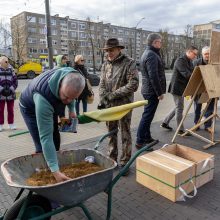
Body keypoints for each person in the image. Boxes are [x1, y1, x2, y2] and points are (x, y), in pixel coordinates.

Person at [19, 67, 85, 182]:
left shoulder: (72, 75)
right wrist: (56, 171)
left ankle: (54, 166)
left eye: (72, 98)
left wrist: (72, 109)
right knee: (42, 143)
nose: (68, 101)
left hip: (50, 100)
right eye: (65, 96)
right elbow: (46, 138)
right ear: (59, 85)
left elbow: (70, 95)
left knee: (56, 140)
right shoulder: (43, 100)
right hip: (30, 108)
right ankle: (45, 175)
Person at [98, 38, 139, 175]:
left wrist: (113, 95)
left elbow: (133, 84)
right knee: (111, 133)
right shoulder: (105, 65)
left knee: (125, 134)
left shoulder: (129, 63)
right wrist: (103, 97)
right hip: (109, 106)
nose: (109, 53)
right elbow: (102, 84)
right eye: (107, 51)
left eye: (111, 50)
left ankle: (125, 162)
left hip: (124, 106)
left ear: (119, 49)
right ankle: (112, 159)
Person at [136, 33, 166, 149]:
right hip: (151, 91)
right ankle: (140, 141)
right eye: (160, 41)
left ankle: (147, 137)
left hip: (148, 90)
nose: (161, 44)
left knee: (148, 115)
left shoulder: (149, 53)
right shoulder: (151, 55)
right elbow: (153, 76)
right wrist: (159, 93)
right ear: (154, 42)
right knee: (147, 116)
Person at [160, 46, 198, 134]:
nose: (195, 56)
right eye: (194, 54)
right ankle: (180, 130)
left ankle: (165, 122)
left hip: (182, 88)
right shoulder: (180, 60)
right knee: (179, 108)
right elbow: (187, 74)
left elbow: (192, 73)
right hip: (177, 88)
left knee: (178, 106)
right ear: (189, 52)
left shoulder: (189, 61)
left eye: (196, 54)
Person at [193, 46, 214, 132]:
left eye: (208, 53)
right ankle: (196, 124)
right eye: (205, 54)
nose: (207, 55)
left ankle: (208, 126)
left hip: (211, 88)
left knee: (210, 108)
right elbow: (193, 77)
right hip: (199, 89)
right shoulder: (196, 62)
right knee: (197, 107)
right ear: (202, 54)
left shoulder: (214, 62)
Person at [0, 56, 18, 131]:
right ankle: (0, 124)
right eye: (5, 61)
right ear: (1, 62)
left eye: (7, 61)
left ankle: (11, 123)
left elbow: (15, 81)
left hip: (11, 94)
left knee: (10, 109)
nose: (6, 63)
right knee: (0, 110)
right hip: (0, 95)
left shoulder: (11, 71)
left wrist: (11, 89)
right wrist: (1, 89)